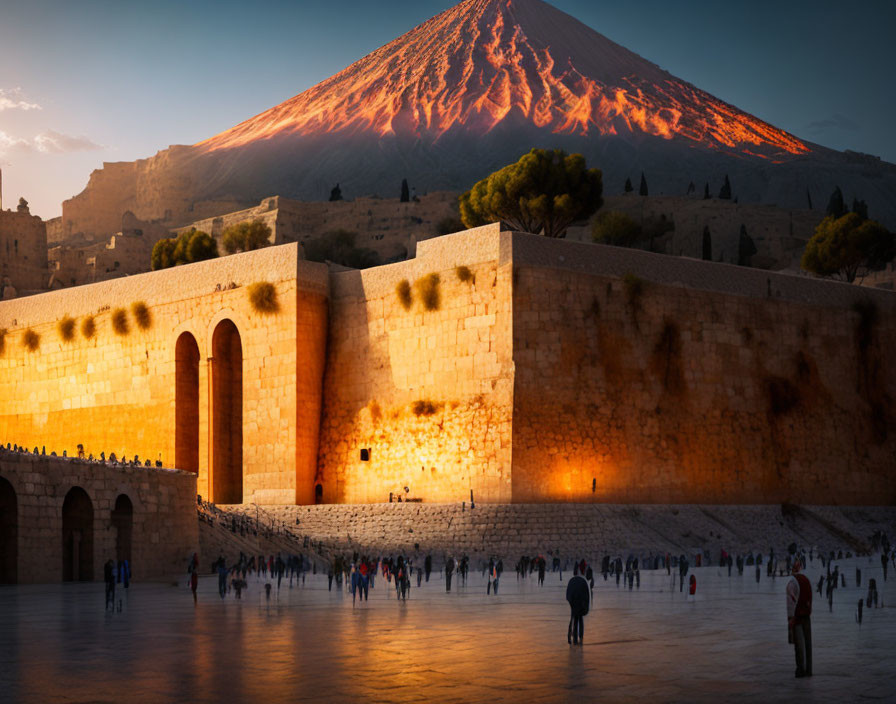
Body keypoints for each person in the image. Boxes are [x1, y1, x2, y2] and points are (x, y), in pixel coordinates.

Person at [786, 559, 813, 678]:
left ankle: (800, 669)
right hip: (806, 615)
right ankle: (809, 670)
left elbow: (791, 601)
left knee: (799, 644)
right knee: (807, 644)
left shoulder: (792, 582)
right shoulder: (806, 580)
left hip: (797, 616)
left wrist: (791, 618)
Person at [566, 572, 590, 645]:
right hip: (580, 604)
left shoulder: (572, 582)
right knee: (580, 619)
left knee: (575, 620)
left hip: (573, 604)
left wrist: (570, 601)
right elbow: (586, 595)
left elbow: (568, 594)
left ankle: (575, 638)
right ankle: (581, 635)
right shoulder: (582, 582)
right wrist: (585, 605)